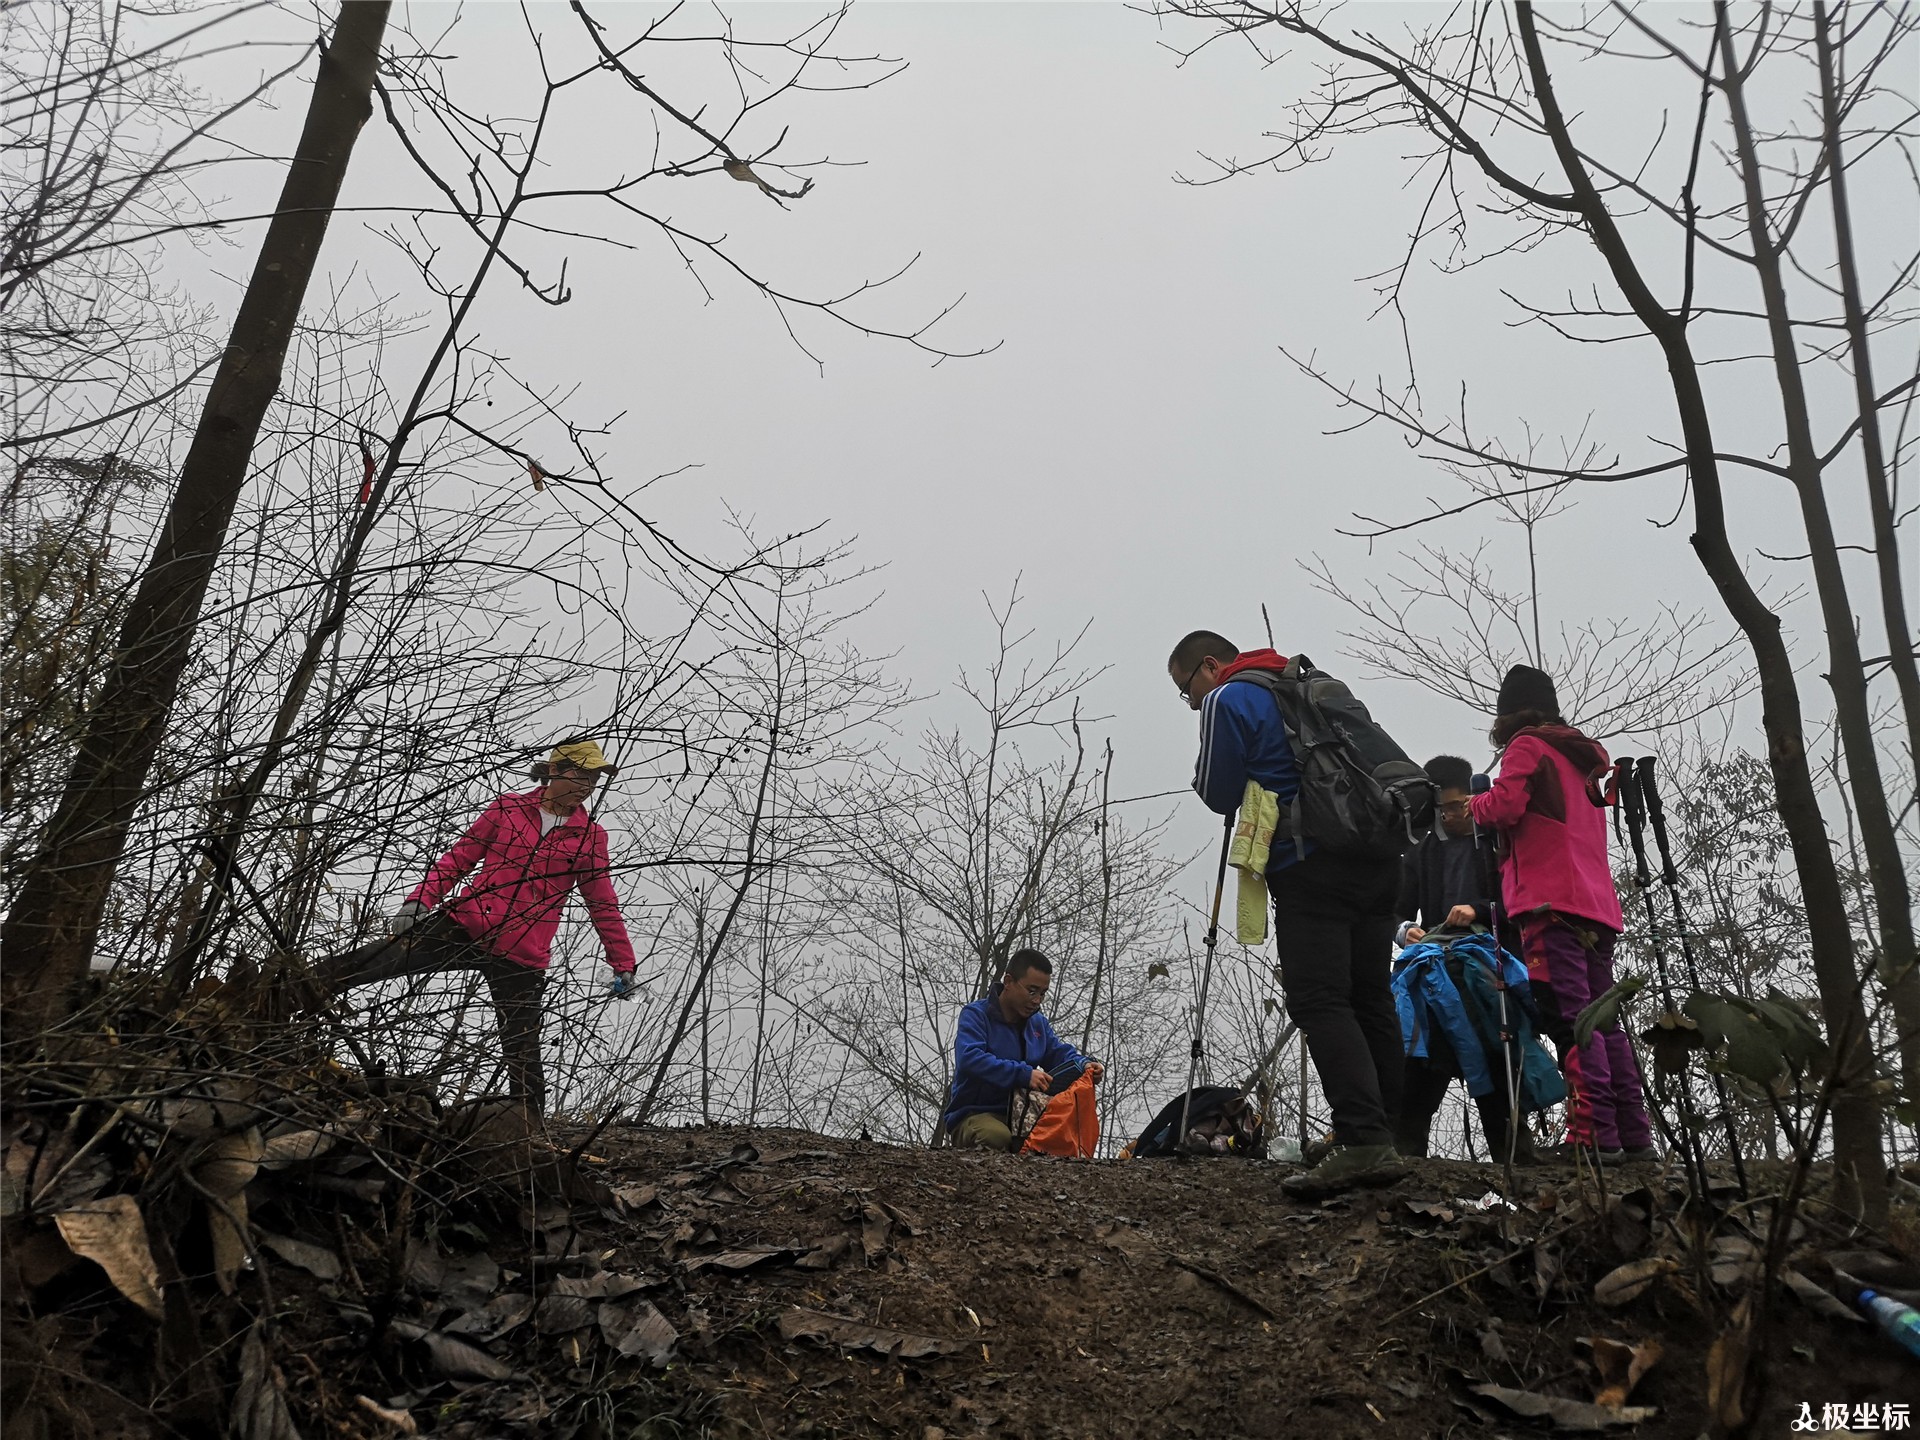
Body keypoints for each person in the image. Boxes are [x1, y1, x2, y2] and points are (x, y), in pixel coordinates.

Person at [1169, 630, 1405, 1197]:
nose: (1194, 704)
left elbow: (1219, 791)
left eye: (1187, 691)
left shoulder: (1230, 696)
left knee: (1319, 997)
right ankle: (1388, 1133)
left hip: (1311, 860)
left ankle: (1364, 1140)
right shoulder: (1308, 681)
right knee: (1369, 993)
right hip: (1378, 853)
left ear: (1209, 665)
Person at [307, 739, 639, 1115]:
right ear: (553, 772)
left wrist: (623, 963)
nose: (586, 785)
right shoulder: (508, 809)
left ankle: (527, 1131)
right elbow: (458, 859)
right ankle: (287, 995)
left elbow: (602, 903)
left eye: (593, 777)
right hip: (465, 924)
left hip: (523, 952)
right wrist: (420, 899)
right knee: (374, 960)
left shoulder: (590, 838)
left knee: (523, 1049)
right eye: (579, 774)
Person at [1468, 666, 1656, 1163]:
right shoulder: (1583, 762)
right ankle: (1632, 1135)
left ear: (1507, 712)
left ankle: (1592, 1135)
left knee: (1571, 1018)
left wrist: (1474, 803)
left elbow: (1503, 807)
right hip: (1596, 904)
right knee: (1604, 1018)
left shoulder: (1527, 746)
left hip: (1550, 904)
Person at [1392, 754, 1538, 1163]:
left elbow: (1524, 899)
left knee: (1494, 1057)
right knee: (1420, 1057)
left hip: (1492, 967)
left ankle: (1514, 1157)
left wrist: (1478, 908)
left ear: (1477, 797)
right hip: (1435, 967)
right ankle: (1407, 1155)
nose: (1453, 816)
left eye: (1460, 805)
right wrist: (1406, 931)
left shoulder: (1498, 841)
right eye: (1445, 809)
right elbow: (1395, 909)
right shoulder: (1422, 850)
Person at [943, 949, 1104, 1151]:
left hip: (1023, 1117)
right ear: (1008, 982)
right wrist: (1023, 1074)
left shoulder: (1037, 1024)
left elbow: (1058, 1053)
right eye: (1031, 991)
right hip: (973, 1114)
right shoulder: (976, 1015)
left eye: (1043, 993)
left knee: (1058, 1137)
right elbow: (969, 1058)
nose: (1037, 1000)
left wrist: (1084, 1064)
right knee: (997, 1138)